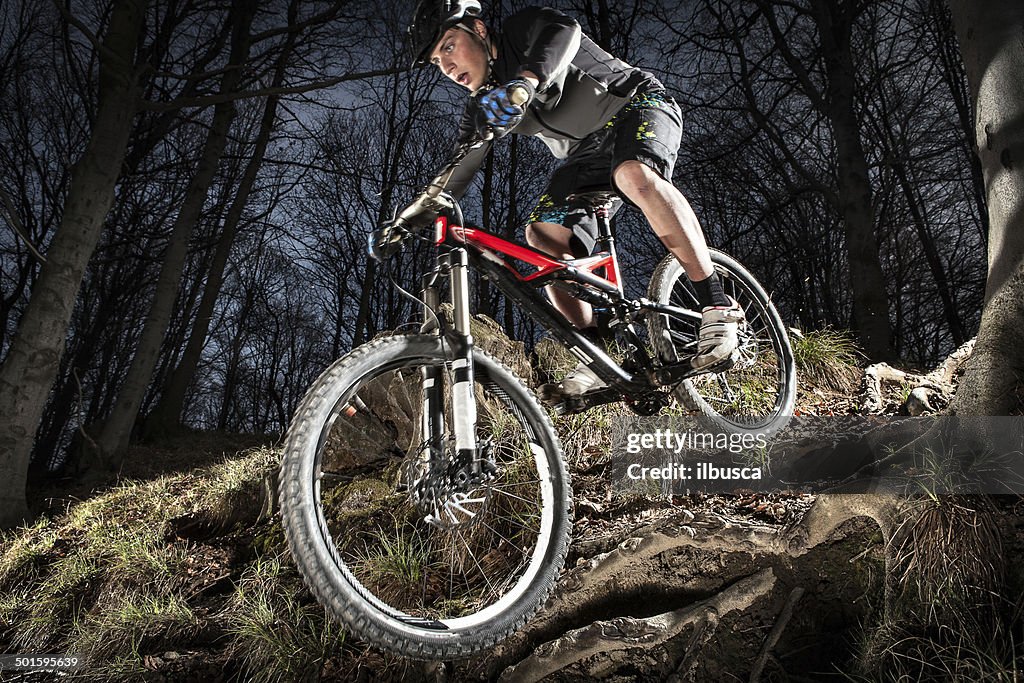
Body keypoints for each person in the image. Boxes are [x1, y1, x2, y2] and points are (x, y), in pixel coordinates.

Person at [402, 0, 744, 397]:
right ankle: (598, 355)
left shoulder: (522, 29)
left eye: (448, 45)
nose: (445, 66)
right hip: (586, 153)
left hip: (637, 104)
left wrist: (526, 81)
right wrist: (410, 216)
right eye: (435, 61)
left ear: (478, 29)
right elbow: (459, 166)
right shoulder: (481, 105)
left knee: (633, 175)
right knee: (542, 237)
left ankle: (717, 306)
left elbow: (564, 31)